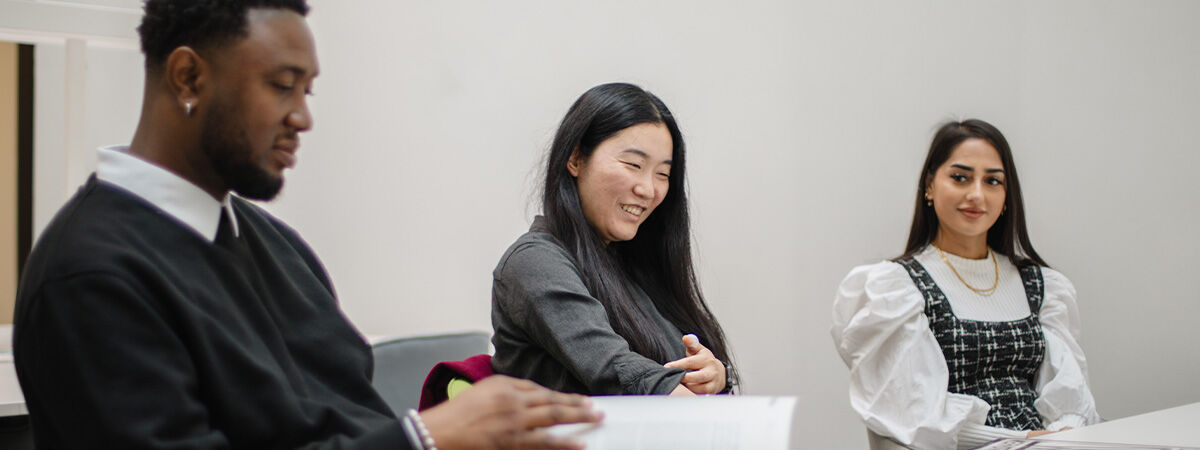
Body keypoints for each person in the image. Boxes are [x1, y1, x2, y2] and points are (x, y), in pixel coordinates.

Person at [12, 1, 600, 449]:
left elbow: (348, 423)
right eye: (280, 85)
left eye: (307, 89)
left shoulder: (272, 245)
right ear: (188, 78)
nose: (303, 117)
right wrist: (424, 438)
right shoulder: (92, 276)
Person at [830, 119, 1101, 449]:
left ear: (1006, 196)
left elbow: (1072, 399)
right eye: (960, 177)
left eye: (992, 181)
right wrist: (1021, 440)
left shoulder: (1042, 286)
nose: (976, 194)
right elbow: (913, 417)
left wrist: (1063, 435)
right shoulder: (896, 289)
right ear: (930, 186)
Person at [490, 83, 736, 396]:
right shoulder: (535, 262)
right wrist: (693, 398)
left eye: (662, 174)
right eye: (633, 165)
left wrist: (711, 375)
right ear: (576, 158)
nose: (648, 189)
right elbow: (615, 369)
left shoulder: (630, 265)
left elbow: (672, 372)